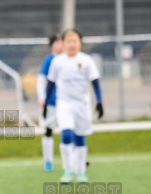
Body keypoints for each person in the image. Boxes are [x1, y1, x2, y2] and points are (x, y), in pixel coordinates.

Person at [44, 29, 103, 183]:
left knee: (79, 138)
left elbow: (95, 82)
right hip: (64, 104)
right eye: (69, 41)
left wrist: (100, 101)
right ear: (63, 44)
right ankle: (67, 170)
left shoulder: (87, 61)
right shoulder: (57, 62)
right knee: (66, 135)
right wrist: (45, 103)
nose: (72, 44)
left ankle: (80, 172)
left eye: (75, 41)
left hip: (82, 105)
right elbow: (50, 83)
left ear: (80, 43)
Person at [37, 34, 63, 172]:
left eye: (61, 42)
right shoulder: (49, 60)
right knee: (48, 130)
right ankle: (48, 161)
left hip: (66, 102)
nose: (61, 45)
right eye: (57, 43)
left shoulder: (67, 60)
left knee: (70, 131)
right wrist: (42, 97)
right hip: (51, 102)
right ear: (52, 45)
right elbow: (41, 80)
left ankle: (76, 160)